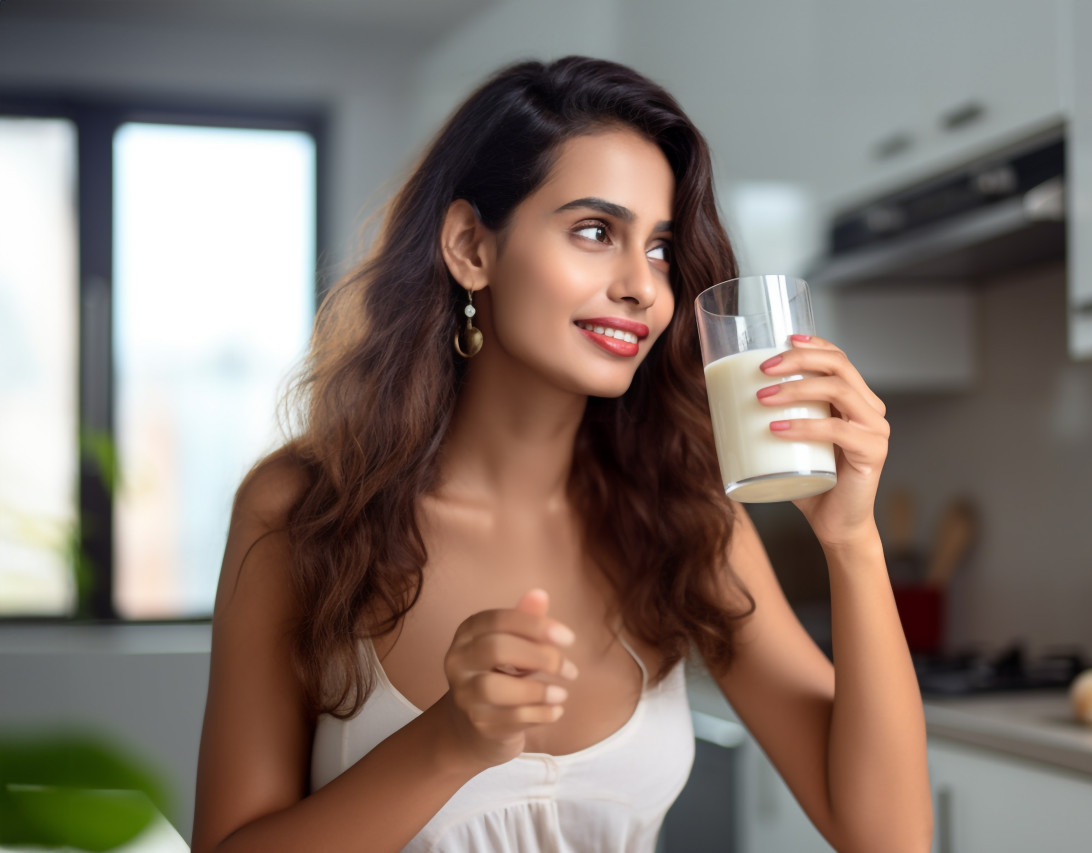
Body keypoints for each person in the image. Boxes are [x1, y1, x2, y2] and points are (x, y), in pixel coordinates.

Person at [192, 56, 931, 853]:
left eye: (659, 248)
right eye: (594, 231)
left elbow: (887, 840)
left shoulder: (685, 514)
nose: (642, 287)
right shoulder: (302, 509)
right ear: (472, 247)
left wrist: (852, 540)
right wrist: (446, 743)